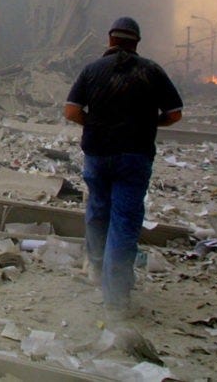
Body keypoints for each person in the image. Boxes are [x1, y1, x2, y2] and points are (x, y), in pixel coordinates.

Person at [63, 16, 183, 316]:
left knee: (98, 212)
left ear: (110, 40)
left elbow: (71, 111)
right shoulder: (152, 71)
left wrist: (95, 123)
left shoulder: (92, 70)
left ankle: (94, 271)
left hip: (98, 155)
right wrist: (148, 123)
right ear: (136, 43)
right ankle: (116, 296)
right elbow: (175, 114)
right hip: (135, 156)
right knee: (125, 221)